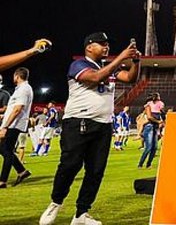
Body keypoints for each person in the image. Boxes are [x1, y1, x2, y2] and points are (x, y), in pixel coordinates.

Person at [40, 32, 141, 225]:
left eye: (107, 44)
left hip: (103, 124)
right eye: (101, 44)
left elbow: (129, 78)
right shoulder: (79, 64)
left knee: (96, 171)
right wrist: (121, 57)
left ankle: (81, 213)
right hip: (79, 121)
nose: (106, 47)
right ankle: (56, 202)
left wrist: (135, 61)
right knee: (70, 165)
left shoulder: (107, 67)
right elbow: (94, 78)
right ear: (89, 47)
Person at [0, 67, 34, 188]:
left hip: (14, 124)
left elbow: (18, 109)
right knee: (4, 149)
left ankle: (2, 181)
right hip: (13, 123)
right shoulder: (22, 89)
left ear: (17, 76)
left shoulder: (24, 89)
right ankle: (22, 171)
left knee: (7, 151)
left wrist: (5, 126)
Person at [138, 94, 163, 169]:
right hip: (149, 127)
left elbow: (162, 114)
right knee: (148, 147)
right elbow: (149, 117)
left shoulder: (159, 105)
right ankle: (140, 164)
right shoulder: (148, 106)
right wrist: (158, 121)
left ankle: (148, 164)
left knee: (154, 147)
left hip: (155, 127)